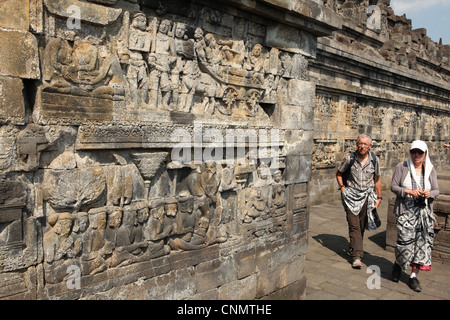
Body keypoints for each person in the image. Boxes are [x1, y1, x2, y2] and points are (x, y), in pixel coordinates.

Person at [390, 140, 439, 292]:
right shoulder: (402, 167)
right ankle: (399, 264)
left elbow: (437, 190)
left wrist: (429, 193)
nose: (416, 155)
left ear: (425, 154)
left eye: (420, 152)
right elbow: (393, 186)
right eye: (414, 152)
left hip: (423, 213)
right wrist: (408, 192)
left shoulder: (430, 169)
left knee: (421, 244)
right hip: (406, 211)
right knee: (404, 242)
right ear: (410, 152)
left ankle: (413, 276)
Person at [336, 134, 382, 269]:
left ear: (370, 146)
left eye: (365, 144)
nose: (362, 146)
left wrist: (379, 197)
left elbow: (377, 179)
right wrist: (343, 188)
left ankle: (353, 247)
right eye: (360, 143)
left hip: (366, 197)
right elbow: (339, 173)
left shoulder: (374, 160)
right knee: (354, 225)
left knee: (361, 225)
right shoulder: (349, 158)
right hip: (350, 196)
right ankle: (357, 256)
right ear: (357, 144)